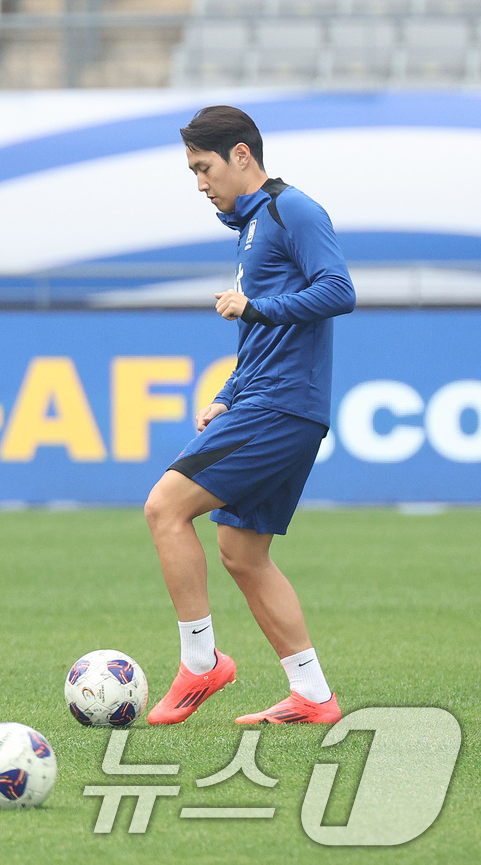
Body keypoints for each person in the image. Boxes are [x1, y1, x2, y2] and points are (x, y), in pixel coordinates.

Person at [143, 105, 355, 726]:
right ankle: (313, 696)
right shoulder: (251, 225)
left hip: (283, 405)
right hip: (265, 400)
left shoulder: (295, 210)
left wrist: (254, 307)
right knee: (241, 551)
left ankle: (201, 663)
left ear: (241, 155)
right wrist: (229, 393)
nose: (200, 183)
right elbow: (267, 334)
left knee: (165, 507)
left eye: (203, 167)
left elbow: (337, 290)